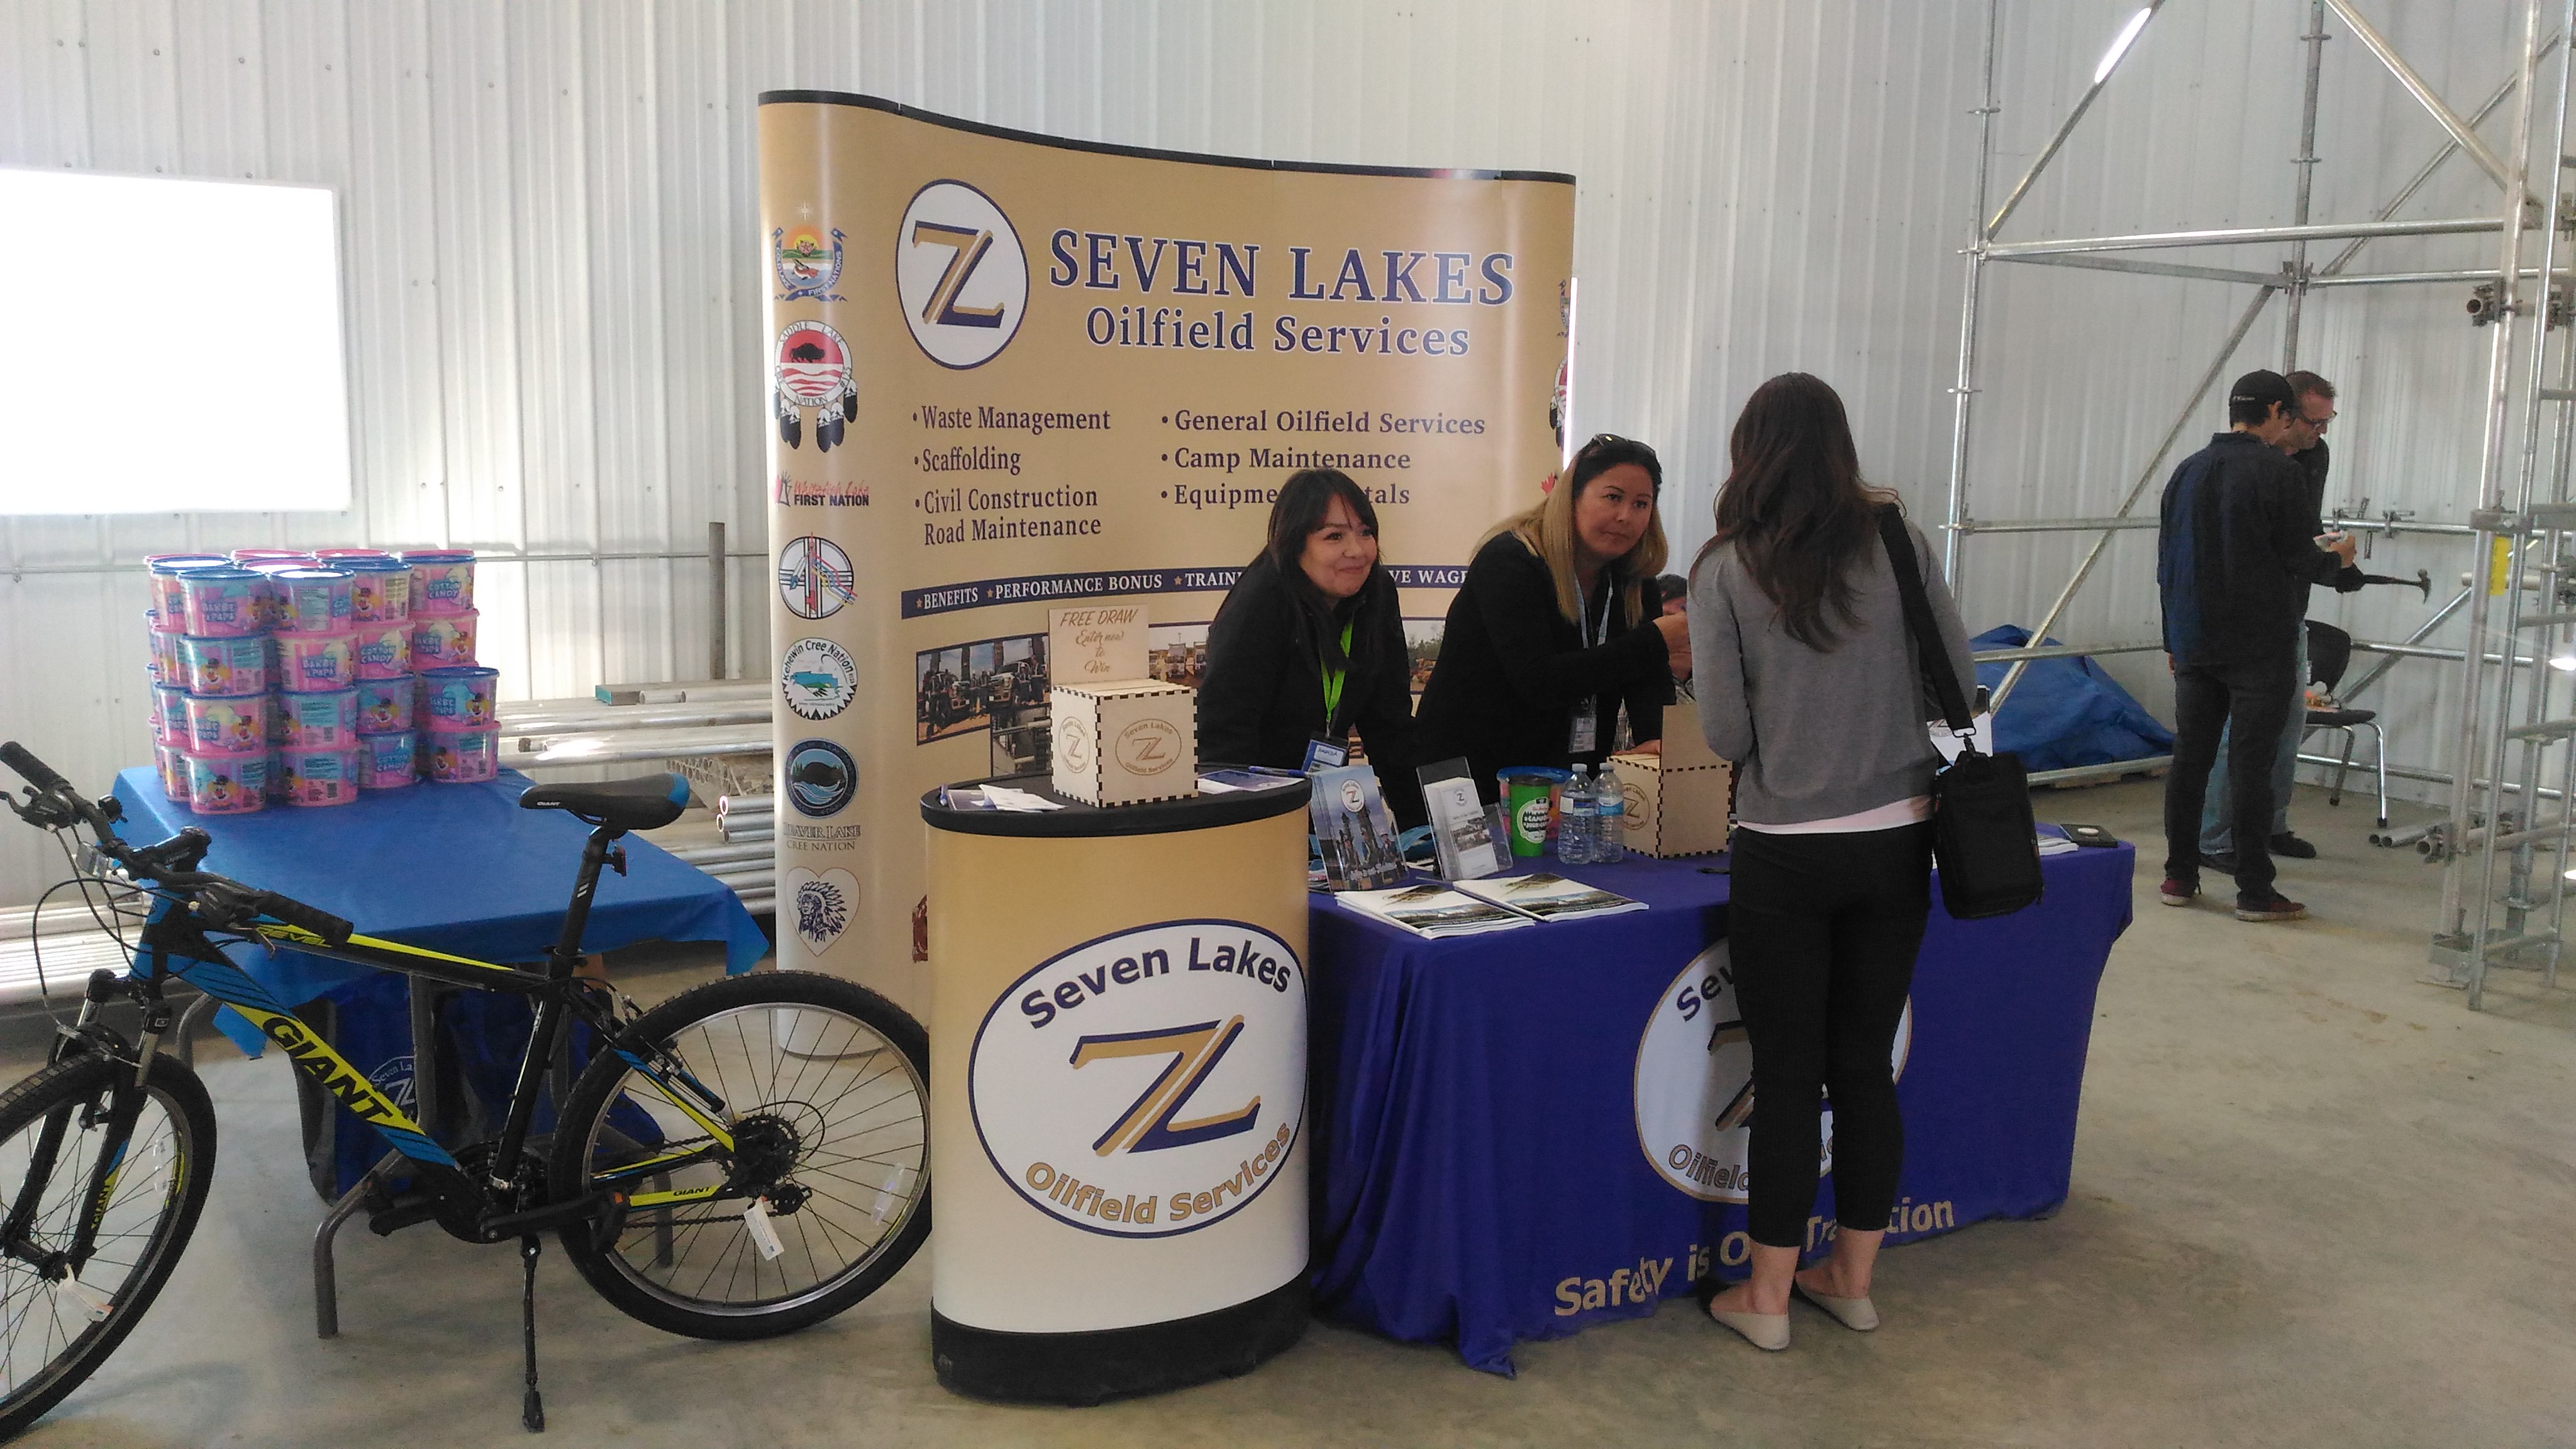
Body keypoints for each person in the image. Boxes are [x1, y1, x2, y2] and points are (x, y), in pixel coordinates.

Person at [1686, 373, 1975, 1353]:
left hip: (1785, 851)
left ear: (1748, 452)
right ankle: (1851, 1281)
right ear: (1841, 448)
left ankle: (1765, 1298)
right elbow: (1957, 681)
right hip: (1899, 837)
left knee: (1787, 1072)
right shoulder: (1900, 542)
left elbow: (1726, 735)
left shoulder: (1724, 568)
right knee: (1863, 1067)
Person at [2158, 370, 2358, 922]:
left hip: (2195, 639)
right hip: (2259, 645)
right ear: (2274, 411)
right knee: (2252, 765)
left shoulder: (2187, 470)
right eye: (2291, 415)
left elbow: (2168, 562)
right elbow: (2302, 558)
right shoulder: (2277, 471)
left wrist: (2174, 635)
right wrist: (2340, 558)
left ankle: (2179, 876)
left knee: (2190, 760)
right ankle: (2254, 891)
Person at [1413, 434, 1686, 799]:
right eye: (1613, 497)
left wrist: (1654, 740)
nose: (1625, 516)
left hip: (1572, 776)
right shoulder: (1511, 560)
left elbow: (1647, 679)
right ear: (1572, 497)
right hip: (1473, 775)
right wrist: (1653, 641)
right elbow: (1539, 680)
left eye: (1641, 504)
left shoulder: (1635, 580)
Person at [1199, 468, 1423, 824]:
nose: (1357, 550)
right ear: (1295, 543)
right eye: (1334, 536)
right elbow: (1224, 744)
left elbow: (1390, 726)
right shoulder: (1260, 603)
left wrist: (1423, 829)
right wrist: (1247, 833)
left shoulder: (1377, 591)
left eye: (1366, 532)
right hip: (1261, 813)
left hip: (1329, 802)